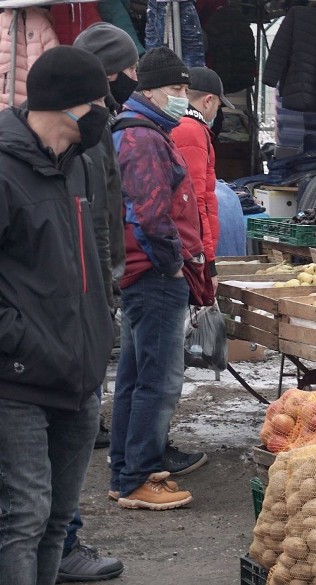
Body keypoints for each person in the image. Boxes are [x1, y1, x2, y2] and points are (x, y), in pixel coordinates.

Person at [0, 46, 114, 585]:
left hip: (79, 376)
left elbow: (94, 253)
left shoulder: (80, 167)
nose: (104, 115)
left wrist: (101, 324)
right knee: (21, 519)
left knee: (54, 521)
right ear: (68, 106)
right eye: (97, 103)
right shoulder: (3, 169)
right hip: (16, 381)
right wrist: (20, 339)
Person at [52, 22, 141, 583]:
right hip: (69, 297)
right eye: (129, 70)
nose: (134, 79)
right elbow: (89, 209)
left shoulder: (97, 125)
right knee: (61, 429)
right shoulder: (84, 130)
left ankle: (61, 539)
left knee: (75, 422)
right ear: (109, 73)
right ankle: (62, 543)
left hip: (90, 285)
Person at [109, 46, 202, 510]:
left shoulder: (144, 130)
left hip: (140, 273)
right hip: (152, 275)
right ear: (148, 90)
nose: (182, 98)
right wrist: (171, 263)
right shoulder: (142, 137)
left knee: (134, 375)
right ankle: (137, 478)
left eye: (186, 90)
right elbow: (148, 215)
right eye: (176, 89)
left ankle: (124, 471)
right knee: (158, 380)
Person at [166, 66, 234, 476]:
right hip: (183, 255)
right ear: (208, 101)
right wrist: (203, 256)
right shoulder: (192, 131)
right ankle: (152, 449)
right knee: (164, 362)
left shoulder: (178, 128)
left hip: (181, 253)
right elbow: (196, 199)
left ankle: (149, 446)